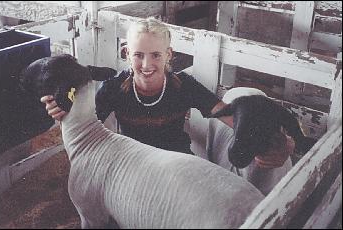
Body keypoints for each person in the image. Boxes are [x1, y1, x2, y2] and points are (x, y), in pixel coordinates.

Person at [41, 17, 293, 167]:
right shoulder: (114, 87)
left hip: (179, 163)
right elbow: (88, 125)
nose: (147, 65)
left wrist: (276, 142)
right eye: (138, 55)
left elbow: (229, 116)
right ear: (127, 53)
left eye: (156, 55)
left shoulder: (183, 86)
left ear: (168, 55)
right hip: (134, 164)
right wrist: (63, 110)